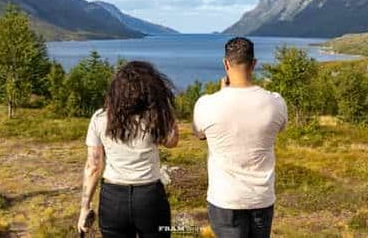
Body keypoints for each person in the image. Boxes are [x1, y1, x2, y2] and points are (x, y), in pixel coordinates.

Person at [193, 37, 288, 238]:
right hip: (262, 198)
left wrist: (222, 93)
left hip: (225, 200)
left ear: (225, 63)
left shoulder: (206, 104)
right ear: (254, 64)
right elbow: (280, 128)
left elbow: (199, 134)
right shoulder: (276, 103)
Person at [78, 61, 179, 237]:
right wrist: (165, 108)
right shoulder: (155, 117)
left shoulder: (100, 118)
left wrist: (84, 208)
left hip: (113, 198)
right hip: (150, 197)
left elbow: (93, 166)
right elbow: (172, 141)